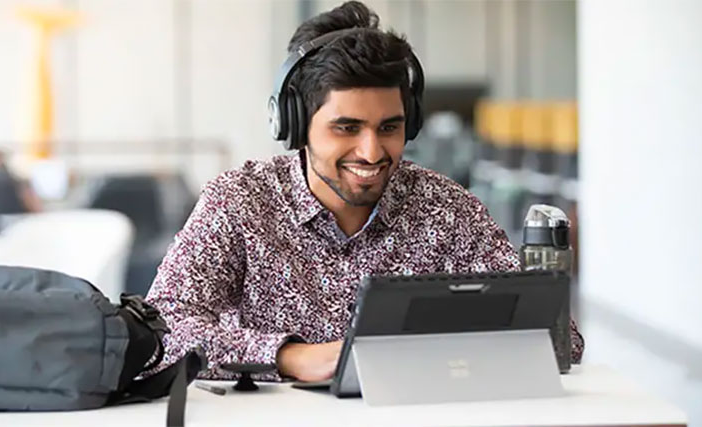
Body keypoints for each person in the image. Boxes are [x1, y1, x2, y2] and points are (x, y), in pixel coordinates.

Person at [146, 1, 583, 382]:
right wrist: (289, 356)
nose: (372, 152)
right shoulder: (241, 200)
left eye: (389, 127)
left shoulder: (447, 209)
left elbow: (561, 341)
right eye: (346, 128)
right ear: (295, 126)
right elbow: (161, 330)